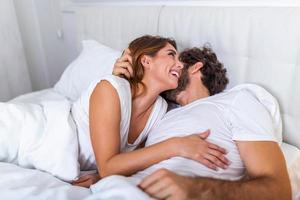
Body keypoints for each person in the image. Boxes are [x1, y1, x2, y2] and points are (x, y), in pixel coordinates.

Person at [112, 46, 292, 200]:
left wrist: (197, 189)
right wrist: (119, 85)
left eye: (175, 61)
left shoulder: (237, 100)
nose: (170, 66)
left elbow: (279, 190)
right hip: (119, 188)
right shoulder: (161, 114)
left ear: (196, 67)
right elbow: (124, 158)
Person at [71, 35, 229, 188]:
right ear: (146, 60)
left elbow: (133, 160)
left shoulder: (160, 110)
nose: (180, 65)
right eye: (171, 55)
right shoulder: (111, 88)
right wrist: (177, 145)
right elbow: (108, 167)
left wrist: (100, 177)